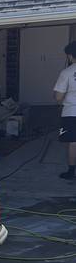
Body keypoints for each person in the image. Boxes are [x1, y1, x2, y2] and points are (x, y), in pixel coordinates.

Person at [54, 40, 76, 180]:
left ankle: (71, 172)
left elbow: (58, 97)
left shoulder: (67, 72)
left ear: (70, 56)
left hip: (71, 113)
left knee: (73, 143)